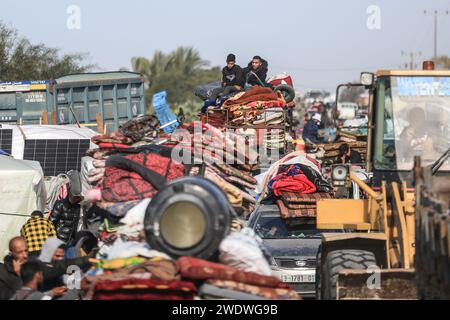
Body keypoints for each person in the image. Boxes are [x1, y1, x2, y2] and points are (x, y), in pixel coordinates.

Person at [49, 170, 83, 244]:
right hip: (59, 240)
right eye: (75, 197)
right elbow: (51, 223)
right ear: (70, 194)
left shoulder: (78, 207)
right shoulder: (60, 204)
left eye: (78, 198)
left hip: (71, 241)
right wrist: (53, 239)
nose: (77, 199)